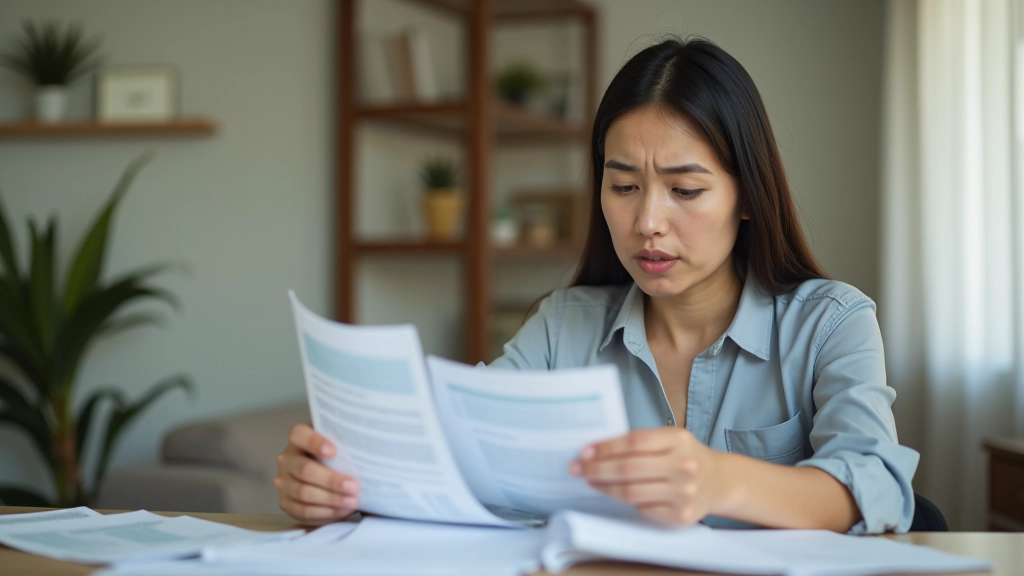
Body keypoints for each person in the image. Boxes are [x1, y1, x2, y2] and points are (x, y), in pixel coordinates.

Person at [274, 37, 919, 534]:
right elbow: (459, 456)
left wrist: (720, 480)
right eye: (623, 186)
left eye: (685, 190)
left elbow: (878, 486)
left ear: (747, 196)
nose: (647, 223)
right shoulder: (563, 327)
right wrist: (340, 484)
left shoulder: (830, 322)